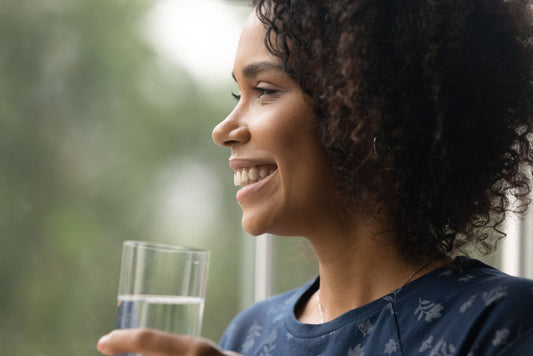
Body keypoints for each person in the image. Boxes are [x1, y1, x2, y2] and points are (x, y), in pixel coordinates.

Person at [97, 0, 533, 354]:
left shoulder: (504, 323)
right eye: (237, 94)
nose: (223, 130)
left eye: (263, 91)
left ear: (367, 108)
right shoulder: (248, 335)